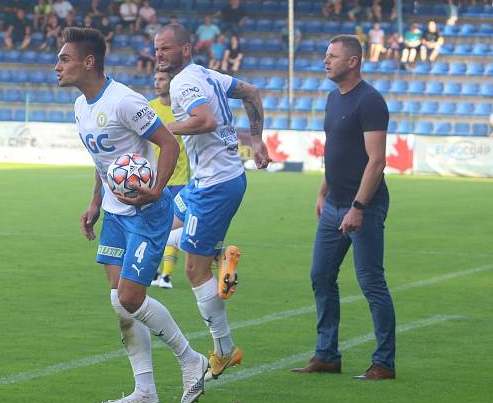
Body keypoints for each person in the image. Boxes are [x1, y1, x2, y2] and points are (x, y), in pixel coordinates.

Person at [56, 26, 210, 403]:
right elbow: (103, 161)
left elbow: (168, 143)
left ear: (88, 62)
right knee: (119, 301)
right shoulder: (80, 106)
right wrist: (95, 202)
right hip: (114, 212)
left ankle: (191, 359)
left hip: (146, 212)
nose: (57, 66)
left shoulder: (125, 101)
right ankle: (146, 391)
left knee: (130, 296)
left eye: (64, 58)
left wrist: (157, 189)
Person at [154, 24, 271, 381]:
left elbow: (205, 120)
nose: (159, 54)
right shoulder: (205, 74)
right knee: (161, 229)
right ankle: (219, 253)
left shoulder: (183, 83)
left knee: (193, 269)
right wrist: (258, 140)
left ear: (186, 50)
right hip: (210, 182)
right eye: (157, 48)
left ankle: (224, 350)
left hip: (214, 187)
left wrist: (160, 130)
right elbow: (251, 92)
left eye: (167, 48)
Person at [290, 35, 395, 381]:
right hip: (334, 204)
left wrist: (358, 206)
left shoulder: (370, 101)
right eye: (326, 54)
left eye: (332, 56)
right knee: (320, 276)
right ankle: (327, 354)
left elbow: (376, 161)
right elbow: (335, 151)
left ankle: (383, 363)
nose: (325, 60)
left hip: (363, 208)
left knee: (371, 282)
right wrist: (323, 191)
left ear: (353, 62)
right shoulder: (333, 99)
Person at [149, 70, 190, 289]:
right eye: (155, 79)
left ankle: (165, 275)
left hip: (180, 179)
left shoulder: (182, 110)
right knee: (154, 226)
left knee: (173, 229)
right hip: (155, 180)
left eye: (162, 79)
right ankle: (154, 271)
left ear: (172, 83)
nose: (157, 83)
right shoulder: (149, 108)